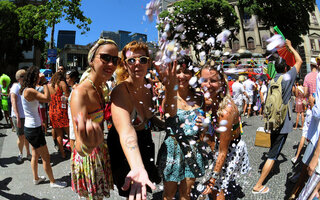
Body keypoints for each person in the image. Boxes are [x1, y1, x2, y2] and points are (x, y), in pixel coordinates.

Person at [107, 41, 163, 199]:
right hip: (123, 146)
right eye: (131, 60)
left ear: (148, 63)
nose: (137, 64)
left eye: (142, 59)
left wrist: (164, 124)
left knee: (146, 188)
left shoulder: (149, 86)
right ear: (125, 64)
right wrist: (137, 166)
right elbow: (126, 131)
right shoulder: (121, 91)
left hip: (145, 139)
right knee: (132, 191)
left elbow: (149, 116)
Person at [70, 38, 118, 200]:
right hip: (89, 156)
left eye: (115, 60)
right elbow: (78, 144)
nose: (111, 64)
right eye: (105, 58)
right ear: (91, 60)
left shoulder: (101, 87)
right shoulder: (80, 93)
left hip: (101, 151)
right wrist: (88, 139)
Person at [252, 39, 303, 194]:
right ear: (286, 67)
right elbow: (300, 60)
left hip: (272, 120)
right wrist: (290, 46)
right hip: (283, 122)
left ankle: (271, 169)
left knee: (272, 148)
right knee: (273, 153)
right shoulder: (288, 78)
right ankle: (258, 185)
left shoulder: (272, 80)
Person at [156, 56, 206, 200]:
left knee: (186, 194)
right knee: (169, 195)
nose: (182, 76)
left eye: (186, 72)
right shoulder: (169, 96)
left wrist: (204, 125)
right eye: (178, 72)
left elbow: (204, 124)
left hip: (192, 148)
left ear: (192, 74)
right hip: (173, 148)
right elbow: (169, 112)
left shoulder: (199, 97)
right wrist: (170, 86)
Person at [200, 61, 250, 200]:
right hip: (222, 145)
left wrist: (213, 179)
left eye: (213, 80)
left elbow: (223, 151)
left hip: (230, 150)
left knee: (217, 188)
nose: (207, 85)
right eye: (204, 80)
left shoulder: (226, 111)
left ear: (222, 82)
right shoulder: (213, 99)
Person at [20, 66, 66, 188]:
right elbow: (47, 98)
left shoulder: (26, 89)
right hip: (34, 128)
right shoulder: (30, 91)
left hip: (31, 127)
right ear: (34, 77)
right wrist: (45, 81)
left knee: (35, 154)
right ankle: (53, 182)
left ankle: (36, 178)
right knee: (45, 157)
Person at [289, 57, 320, 199]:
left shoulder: (310, 76)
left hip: (315, 123)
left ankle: (297, 191)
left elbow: (308, 97)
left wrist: (312, 102)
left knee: (308, 165)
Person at [297, 71, 320, 200]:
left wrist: (312, 102)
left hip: (316, 132)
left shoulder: (313, 76)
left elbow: (318, 113)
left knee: (308, 172)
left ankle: (297, 189)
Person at [10, 69, 31, 163]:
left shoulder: (25, 87)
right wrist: (18, 117)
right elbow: (13, 102)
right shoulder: (15, 87)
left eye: (26, 76)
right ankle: (20, 153)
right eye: (23, 76)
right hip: (17, 116)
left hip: (26, 115)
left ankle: (28, 153)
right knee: (21, 136)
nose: (25, 78)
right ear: (19, 78)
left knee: (26, 136)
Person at [48, 72, 70, 158]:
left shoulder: (49, 86)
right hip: (61, 110)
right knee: (69, 133)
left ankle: (63, 154)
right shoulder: (62, 83)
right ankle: (73, 151)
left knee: (59, 134)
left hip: (52, 111)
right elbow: (67, 96)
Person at [66, 69, 79, 152]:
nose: (66, 80)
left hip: (74, 117)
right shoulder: (73, 88)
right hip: (71, 117)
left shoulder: (76, 88)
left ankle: (74, 156)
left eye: (68, 78)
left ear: (73, 78)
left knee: (73, 138)